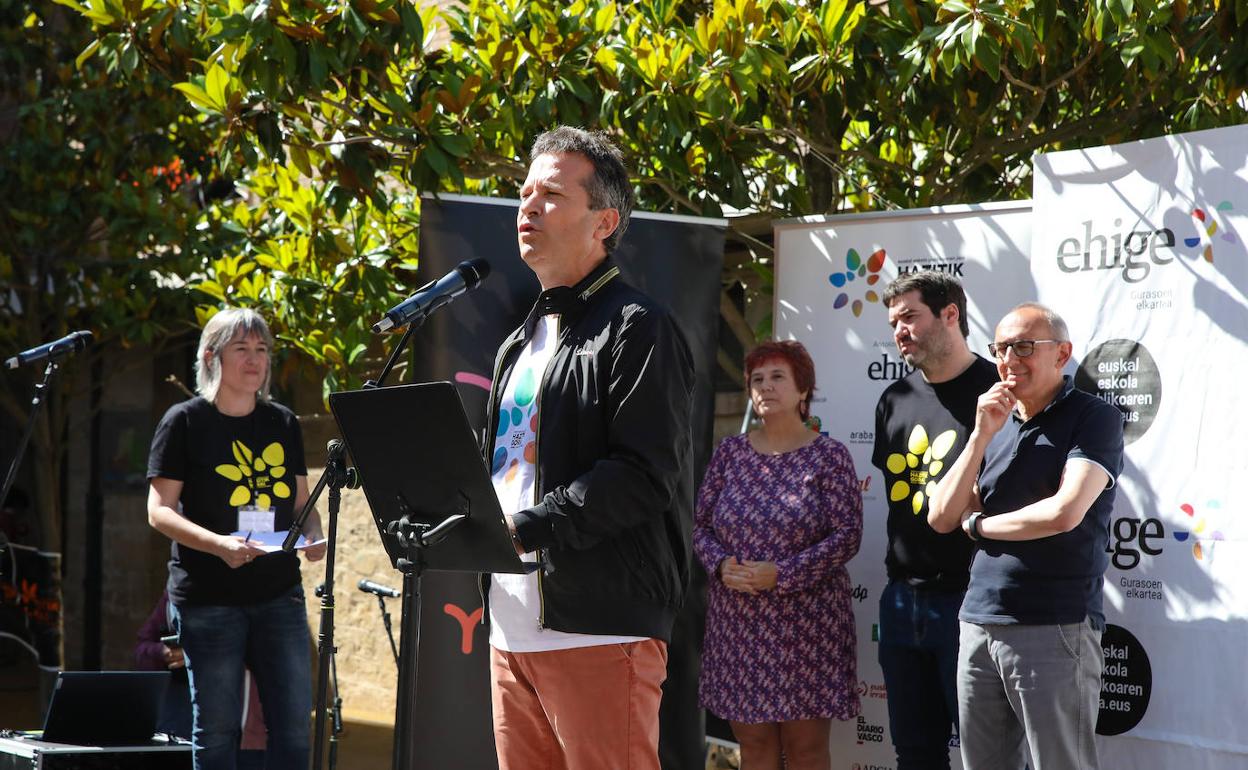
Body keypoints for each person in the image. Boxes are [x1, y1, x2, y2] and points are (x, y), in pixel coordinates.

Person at [483, 126, 695, 770]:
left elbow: (642, 474)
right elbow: (510, 470)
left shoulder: (639, 328)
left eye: (551, 194)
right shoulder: (517, 344)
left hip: (602, 625)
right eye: (524, 193)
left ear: (604, 221)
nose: (528, 207)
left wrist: (528, 528)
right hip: (511, 627)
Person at [928, 303, 1124, 770]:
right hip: (978, 622)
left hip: (1054, 625)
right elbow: (940, 515)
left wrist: (978, 526)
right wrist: (978, 436)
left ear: (1062, 354)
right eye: (1000, 349)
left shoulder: (1093, 417)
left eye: (1023, 346)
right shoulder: (993, 423)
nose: (1009, 360)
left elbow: (1064, 512)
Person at [146, 307, 325, 770]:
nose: (255, 360)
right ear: (212, 357)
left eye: (262, 350)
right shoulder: (183, 422)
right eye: (241, 349)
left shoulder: (283, 422)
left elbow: (304, 505)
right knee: (217, 731)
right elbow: (159, 512)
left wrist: (315, 534)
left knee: (292, 729)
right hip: (208, 600)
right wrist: (219, 545)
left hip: (278, 594)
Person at [695, 340, 862, 770]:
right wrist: (720, 564)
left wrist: (782, 574)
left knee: (805, 749)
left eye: (777, 377)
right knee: (754, 746)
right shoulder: (730, 455)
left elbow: (847, 535)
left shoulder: (829, 456)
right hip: (739, 625)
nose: (765, 387)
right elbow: (701, 528)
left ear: (802, 390)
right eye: (757, 380)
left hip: (807, 626)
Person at [872, 272, 999, 769]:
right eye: (893, 322)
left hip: (976, 600)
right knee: (915, 753)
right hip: (902, 600)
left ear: (950, 315)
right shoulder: (893, 400)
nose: (899, 330)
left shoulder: (998, 393)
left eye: (910, 317)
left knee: (986, 753)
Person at [134, 589, 267, 768]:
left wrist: (198, 652)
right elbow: (142, 649)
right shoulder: (176, 592)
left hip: (242, 732)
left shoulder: (262, 592)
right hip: (180, 727)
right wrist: (163, 652)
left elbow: (269, 653)